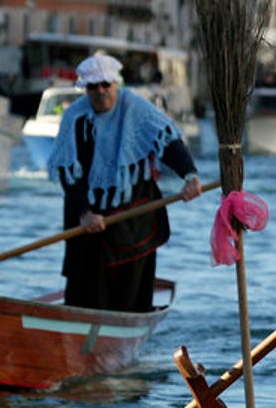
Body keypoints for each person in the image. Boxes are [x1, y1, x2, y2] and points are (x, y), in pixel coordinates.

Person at [47, 54, 203, 312]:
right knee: (85, 281)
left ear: (115, 83)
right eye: (93, 87)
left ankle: (129, 321)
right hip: (87, 211)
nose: (100, 92)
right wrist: (84, 213)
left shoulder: (138, 109)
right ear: (85, 89)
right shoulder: (74, 118)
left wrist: (189, 176)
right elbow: (68, 172)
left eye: (105, 85)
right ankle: (78, 329)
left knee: (131, 284)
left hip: (134, 211)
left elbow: (169, 143)